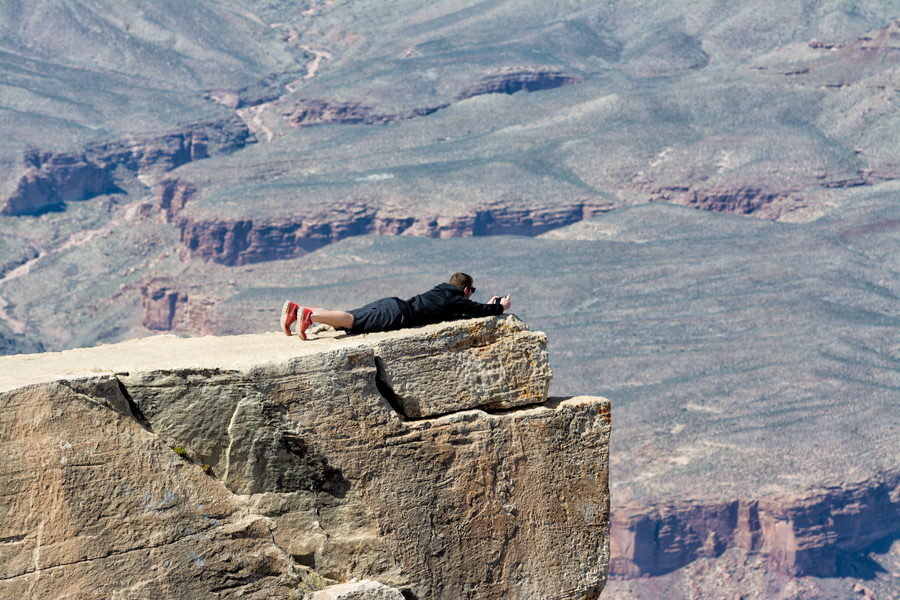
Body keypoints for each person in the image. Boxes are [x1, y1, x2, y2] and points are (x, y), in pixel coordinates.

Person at [281, 272, 512, 340]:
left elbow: (470, 310)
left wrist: (486, 306)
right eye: (472, 291)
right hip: (397, 314)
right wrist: (500, 307)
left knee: (350, 315)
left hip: (392, 304)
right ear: (465, 290)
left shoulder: (444, 291)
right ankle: (308, 316)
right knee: (353, 321)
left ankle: (296, 310)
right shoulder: (456, 298)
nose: (471, 296)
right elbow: (477, 310)